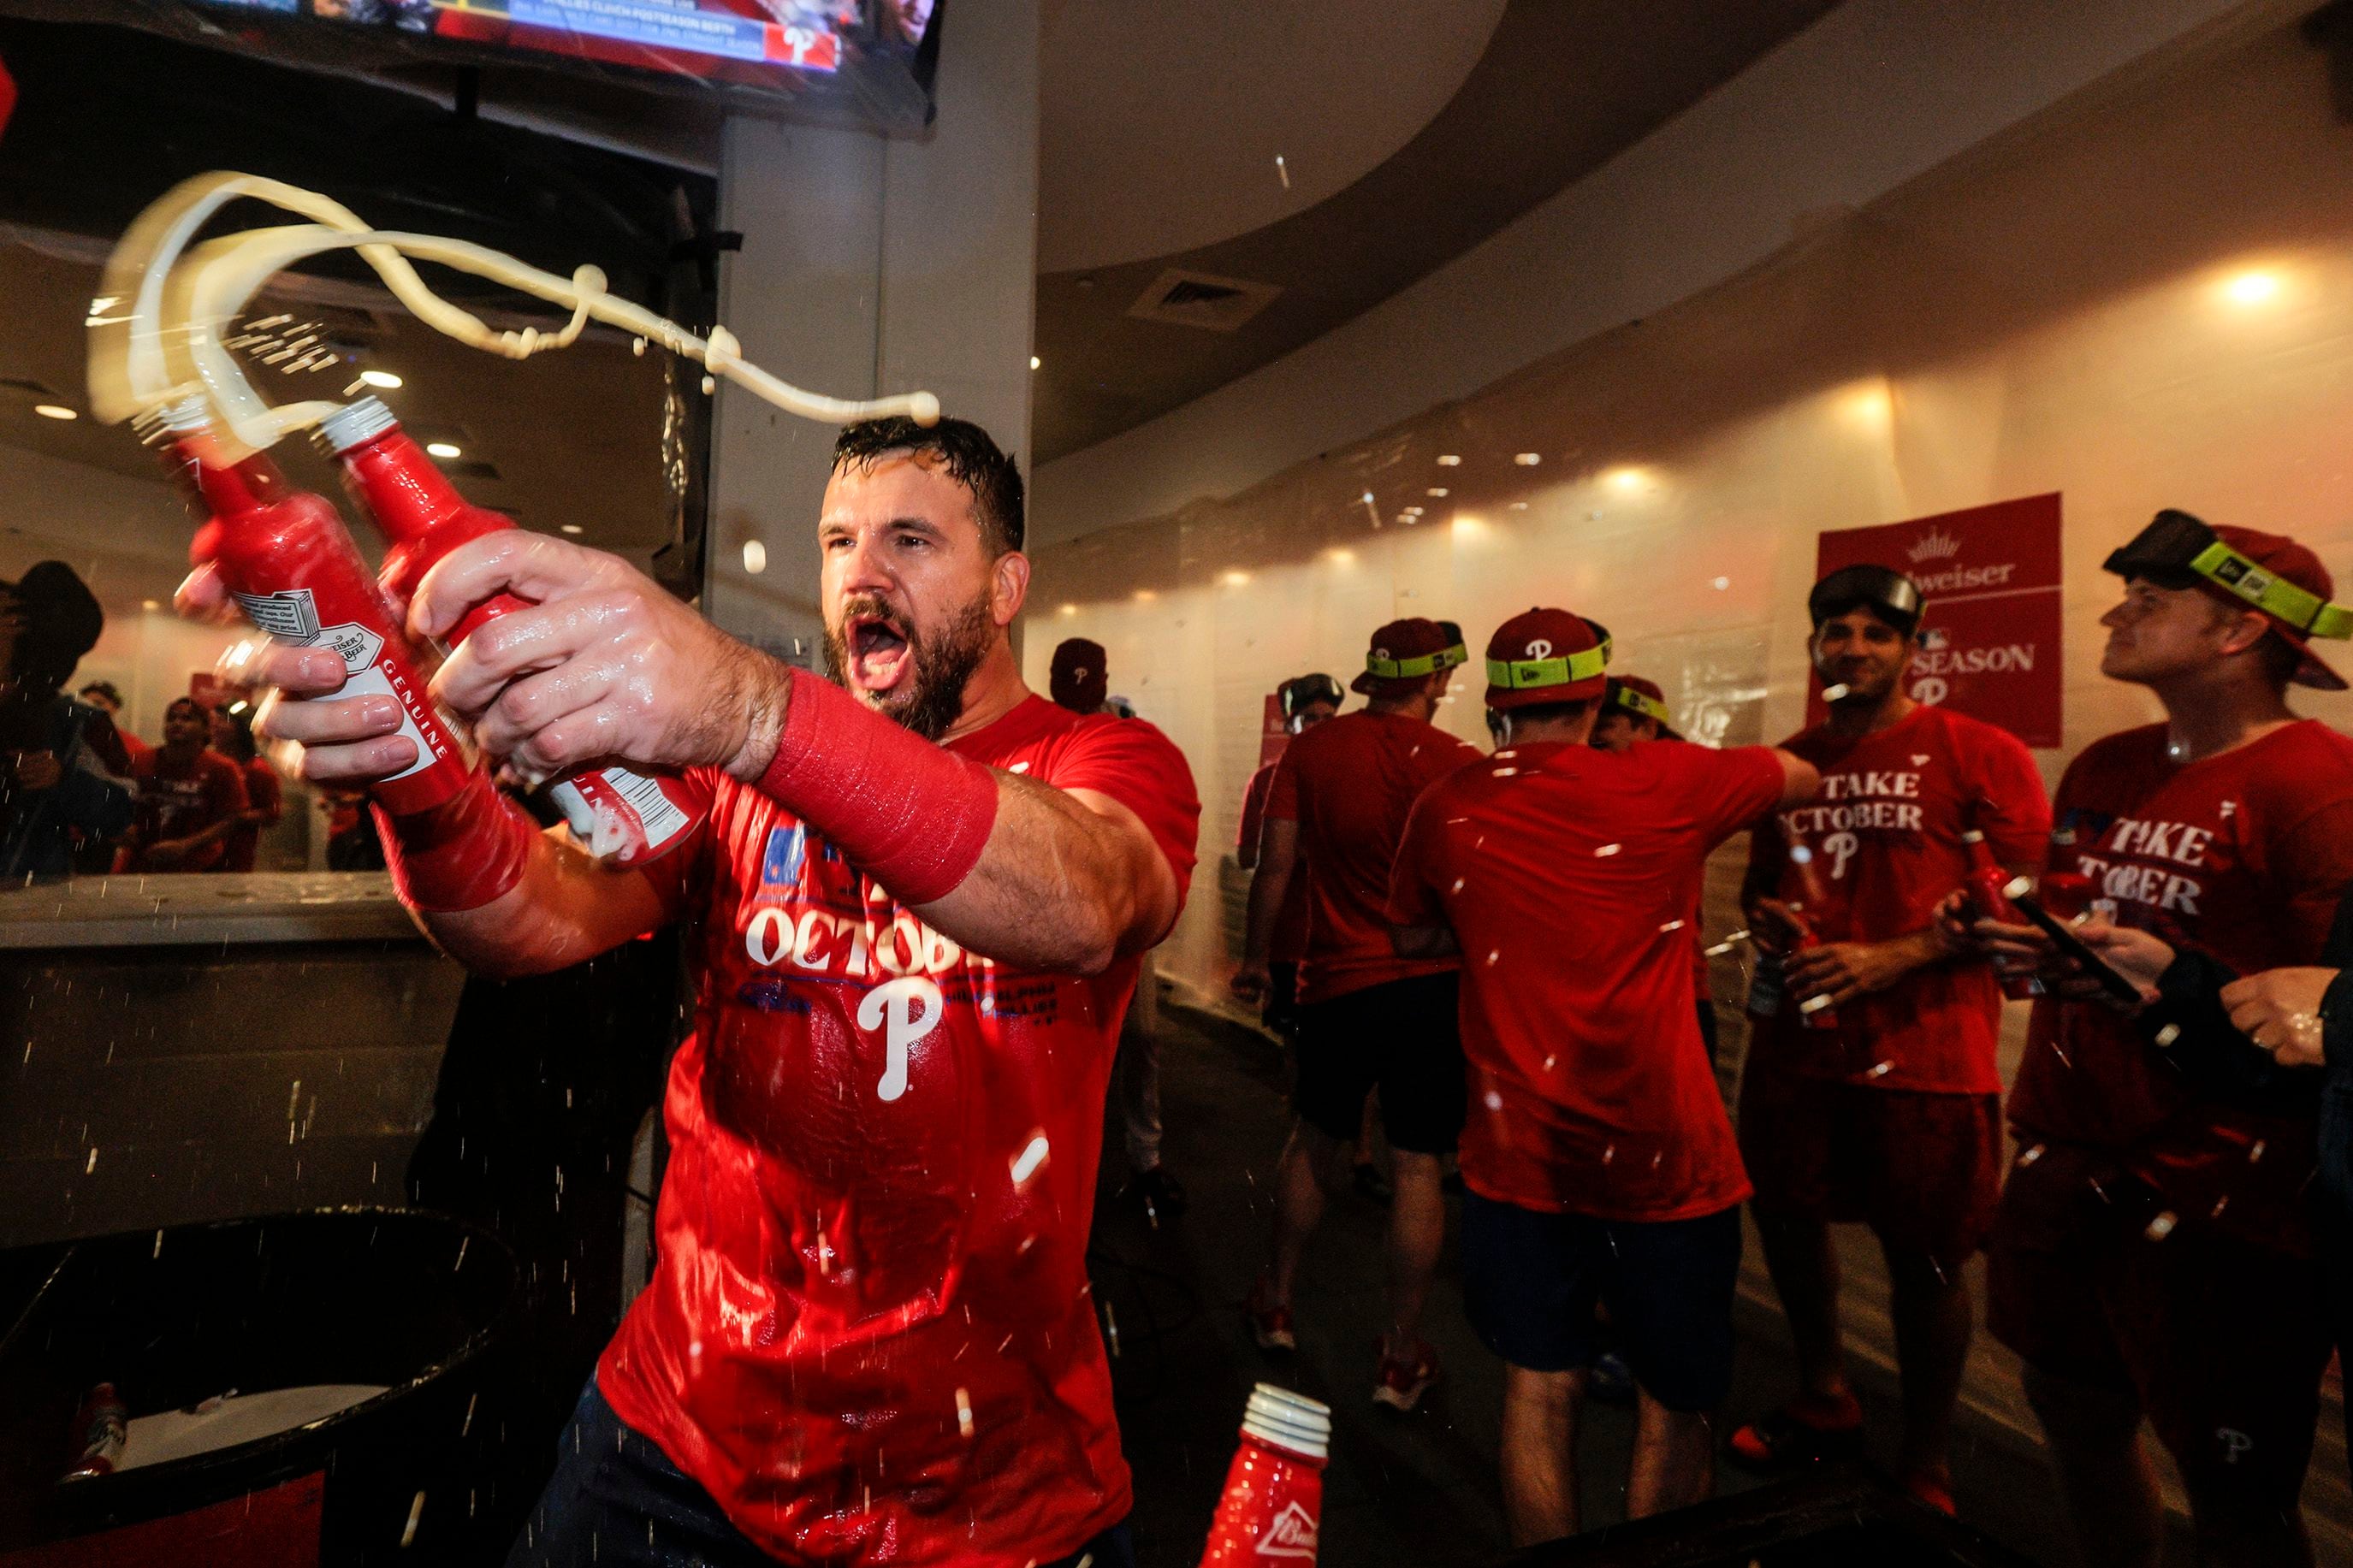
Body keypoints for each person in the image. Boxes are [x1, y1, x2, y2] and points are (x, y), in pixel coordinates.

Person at [199, 415, 1200, 1568]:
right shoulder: (743, 782)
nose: (861, 576)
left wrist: (749, 706)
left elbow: (1083, 902)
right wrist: (408, 776)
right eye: (837, 541)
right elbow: (529, 918)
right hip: (684, 1427)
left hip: (988, 1482)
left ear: (1006, 583)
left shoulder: (1104, 762)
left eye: (912, 541)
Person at [1962, 512, 2353, 1568]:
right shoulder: (2105, 763)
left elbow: (2330, 1021)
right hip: (2066, 1156)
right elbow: (2079, 911)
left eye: (2146, 599)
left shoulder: (2318, 785)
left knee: (2234, 1490)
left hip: (2221, 1193)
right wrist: (2033, 951)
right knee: (2072, 1417)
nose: (2112, 612)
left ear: (2235, 630)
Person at [1388, 608, 1817, 1543]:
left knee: (1539, 1390)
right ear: (1598, 695)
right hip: (1665, 1157)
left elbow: (1414, 935)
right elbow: (1800, 774)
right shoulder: (1670, 781)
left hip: (1519, 1158)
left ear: (1496, 703)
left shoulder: (1446, 805)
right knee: (1674, 1403)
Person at [1728, 564, 2050, 1514]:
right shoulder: (1788, 760)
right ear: (1812, 645)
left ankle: (1925, 1452)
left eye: (1877, 632)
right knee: (1786, 1224)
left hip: (1928, 1060)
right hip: (1798, 1049)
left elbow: (2030, 905)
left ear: (1913, 649)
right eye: (1836, 630)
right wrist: (1768, 922)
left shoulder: (1975, 749)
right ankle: (1823, 1394)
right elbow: (1759, 889)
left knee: (1927, 1260)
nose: (1853, 647)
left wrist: (1895, 955)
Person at [1230, 618, 1481, 1409]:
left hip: (1335, 980)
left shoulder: (1311, 751)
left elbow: (1275, 870)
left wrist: (1253, 961)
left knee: (1313, 1139)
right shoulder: (1462, 765)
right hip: (1430, 984)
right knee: (1417, 1166)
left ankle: (1276, 1299)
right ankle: (1400, 1354)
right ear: (1436, 681)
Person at [1048, 635, 1186, 1220]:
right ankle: (1061, 1165)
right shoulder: (1043, 730)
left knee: (1142, 1036)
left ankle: (1144, 1157)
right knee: (1057, 1046)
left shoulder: (1127, 734)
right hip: (1055, 914)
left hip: (1121, 912)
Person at [1590, 675, 1723, 1062]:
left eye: (1606, 724)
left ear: (1648, 727)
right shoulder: (1586, 787)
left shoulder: (1681, 791)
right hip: (1600, 997)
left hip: (1671, 999)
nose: (1592, 736)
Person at [0, 564, 133, 882]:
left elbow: (121, 814)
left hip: (32, 903)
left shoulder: (78, 721)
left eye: (12, 616)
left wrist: (63, 779)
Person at [111, 695, 248, 875]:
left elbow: (233, 817)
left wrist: (186, 845)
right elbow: (114, 801)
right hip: (140, 863)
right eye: (171, 718)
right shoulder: (140, 761)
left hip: (196, 867)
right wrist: (118, 827)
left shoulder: (222, 768)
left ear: (206, 729)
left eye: (187, 718)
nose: (177, 723)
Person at [209, 704, 282, 873]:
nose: (215, 726)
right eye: (213, 722)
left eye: (223, 721)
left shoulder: (258, 770)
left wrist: (235, 817)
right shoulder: (207, 763)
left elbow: (272, 813)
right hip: (197, 857)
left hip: (234, 858)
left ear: (242, 728)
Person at [77, 680, 151, 769]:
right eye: (85, 704)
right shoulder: (70, 739)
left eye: (98, 703)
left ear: (115, 707)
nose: (91, 708)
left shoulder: (132, 745)